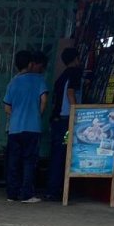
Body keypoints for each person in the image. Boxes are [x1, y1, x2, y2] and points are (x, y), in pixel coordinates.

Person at [3, 50, 48, 203]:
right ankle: (26, 194)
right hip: (32, 127)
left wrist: (17, 116)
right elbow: (44, 100)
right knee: (29, 162)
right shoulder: (39, 80)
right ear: (30, 64)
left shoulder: (13, 82)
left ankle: (12, 194)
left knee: (13, 161)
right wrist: (37, 115)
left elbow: (7, 108)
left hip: (14, 129)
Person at [46, 47, 82, 200]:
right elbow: (70, 93)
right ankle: (55, 190)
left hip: (57, 120)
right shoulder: (75, 73)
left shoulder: (61, 76)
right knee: (63, 154)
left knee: (57, 154)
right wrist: (77, 114)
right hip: (66, 120)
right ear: (75, 59)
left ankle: (52, 189)